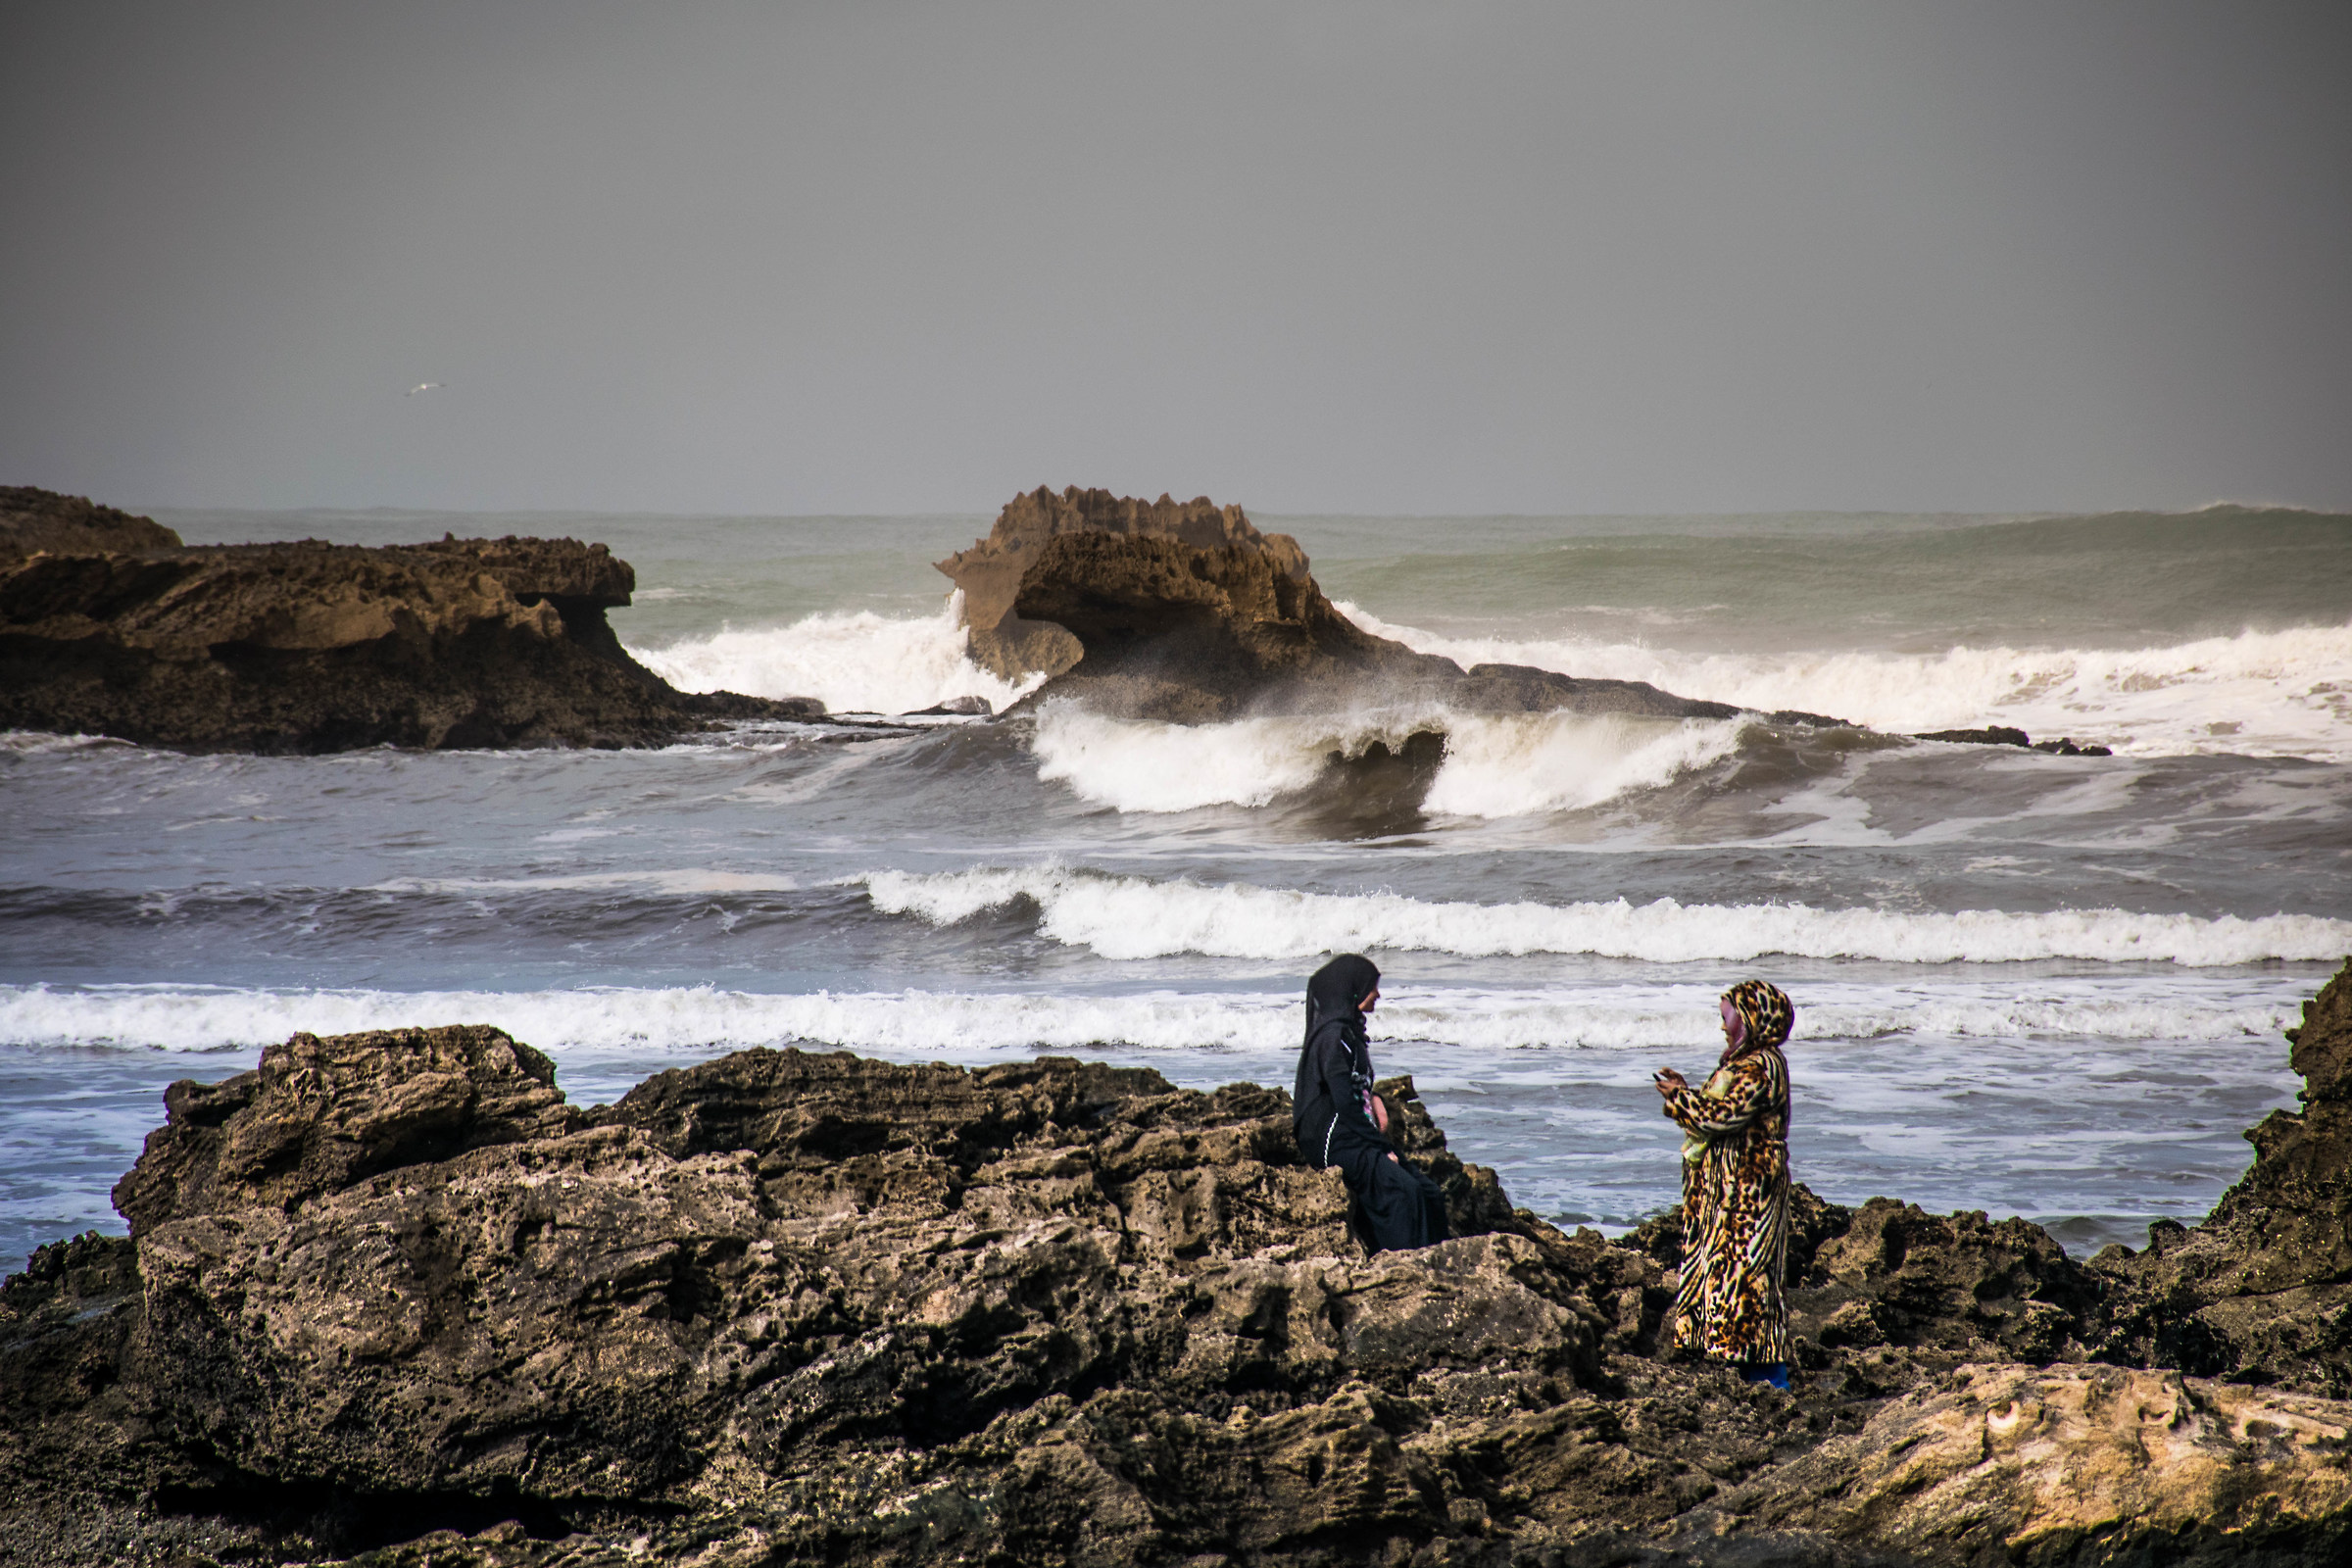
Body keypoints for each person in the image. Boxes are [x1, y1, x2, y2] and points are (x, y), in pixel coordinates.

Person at [1653, 979, 1796, 1390]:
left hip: (1749, 1193)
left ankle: (1772, 1384)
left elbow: (1720, 1116)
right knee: (1732, 1282)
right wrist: (1686, 1092)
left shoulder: (1761, 1066)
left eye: (1729, 1018)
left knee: (1750, 1283)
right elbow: (1719, 1110)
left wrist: (1680, 1097)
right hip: (1732, 1193)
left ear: (1751, 1019)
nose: (1723, 1027)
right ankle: (1756, 1381)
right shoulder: (1744, 1063)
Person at [1292, 954, 1448, 1252]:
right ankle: (1404, 1263)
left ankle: (1439, 1261)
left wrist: (1376, 1098)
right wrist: (1379, 1146)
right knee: (1405, 1192)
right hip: (1334, 1139)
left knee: (1430, 1192)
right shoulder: (1332, 1038)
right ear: (1352, 990)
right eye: (1371, 987)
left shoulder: (1350, 1033)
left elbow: (1355, 1086)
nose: (1377, 994)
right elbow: (1344, 1104)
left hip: (1354, 1133)